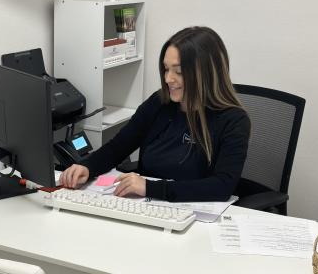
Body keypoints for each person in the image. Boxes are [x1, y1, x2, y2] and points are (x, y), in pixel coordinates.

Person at [59, 26, 251, 202]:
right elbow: (117, 147)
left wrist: (150, 188)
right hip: (146, 205)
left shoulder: (233, 120)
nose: (168, 78)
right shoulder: (159, 103)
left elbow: (222, 187)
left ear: (206, 74)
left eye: (179, 71)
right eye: (166, 69)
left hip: (195, 213)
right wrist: (87, 167)